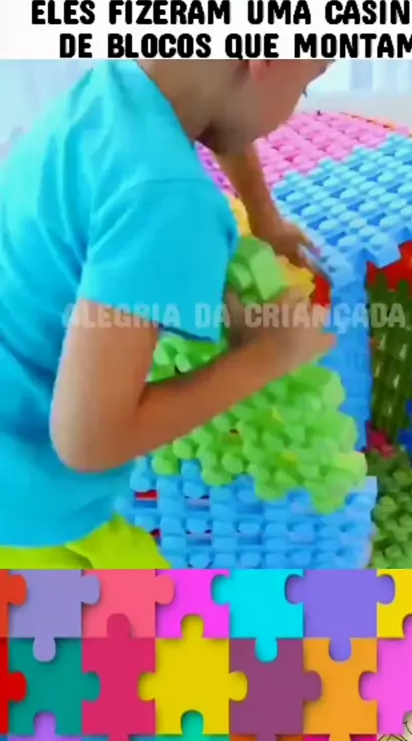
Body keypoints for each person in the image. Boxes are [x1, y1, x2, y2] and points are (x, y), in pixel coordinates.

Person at [0, 60, 333, 569]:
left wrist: (265, 217)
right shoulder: (169, 201)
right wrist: (270, 353)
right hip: (26, 508)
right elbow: (89, 441)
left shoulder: (115, 89)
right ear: (268, 60)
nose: (295, 107)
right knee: (160, 615)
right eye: (305, 88)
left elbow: (226, 113)